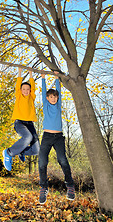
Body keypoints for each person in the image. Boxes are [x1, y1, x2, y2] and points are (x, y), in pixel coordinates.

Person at [38, 72, 75, 204]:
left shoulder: (58, 105)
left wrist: (56, 78)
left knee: (62, 160)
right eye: (51, 97)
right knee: (42, 162)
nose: (53, 99)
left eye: (55, 97)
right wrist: (43, 78)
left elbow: (58, 90)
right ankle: (43, 187)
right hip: (47, 137)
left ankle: (70, 185)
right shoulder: (46, 105)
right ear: (47, 98)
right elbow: (43, 92)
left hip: (58, 137)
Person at [3, 67, 40, 171]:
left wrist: (31, 74)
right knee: (27, 137)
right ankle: (9, 152)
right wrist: (19, 72)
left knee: (37, 150)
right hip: (19, 123)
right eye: (24, 89)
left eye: (28, 89)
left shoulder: (32, 97)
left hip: (30, 124)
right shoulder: (18, 96)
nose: (26, 91)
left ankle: (22, 151)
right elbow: (17, 85)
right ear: (20, 90)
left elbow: (33, 87)